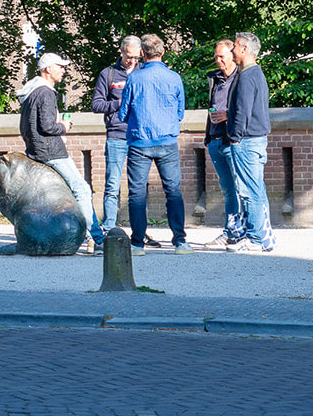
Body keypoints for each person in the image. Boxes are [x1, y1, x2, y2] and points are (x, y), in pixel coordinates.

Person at [16, 52, 104, 252]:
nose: (64, 70)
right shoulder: (45, 92)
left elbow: (25, 127)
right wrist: (63, 126)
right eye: (60, 66)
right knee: (81, 189)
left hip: (36, 149)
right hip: (51, 150)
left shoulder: (30, 92)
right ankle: (96, 238)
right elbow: (47, 126)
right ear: (48, 69)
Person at [118, 34, 192, 256]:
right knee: (173, 191)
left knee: (137, 193)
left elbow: (123, 113)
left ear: (143, 53)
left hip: (139, 141)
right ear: (163, 52)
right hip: (167, 141)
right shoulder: (174, 78)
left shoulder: (134, 79)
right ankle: (180, 241)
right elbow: (180, 112)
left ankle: (138, 243)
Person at [91, 36, 162, 247]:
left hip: (140, 135)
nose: (131, 61)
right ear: (121, 52)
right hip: (117, 135)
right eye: (128, 56)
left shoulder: (144, 73)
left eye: (135, 57)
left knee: (138, 187)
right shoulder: (109, 74)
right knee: (112, 185)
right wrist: (120, 102)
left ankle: (140, 231)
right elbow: (96, 105)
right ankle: (108, 230)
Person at [225, 31, 275, 252]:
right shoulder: (257, 74)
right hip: (257, 139)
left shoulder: (246, 76)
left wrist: (234, 138)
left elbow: (242, 112)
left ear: (244, 49)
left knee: (249, 191)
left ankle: (255, 238)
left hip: (246, 141)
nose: (232, 50)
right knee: (257, 189)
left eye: (235, 46)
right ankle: (264, 237)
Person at [201, 39, 246, 249]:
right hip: (215, 140)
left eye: (222, 56)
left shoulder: (242, 77)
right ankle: (229, 231)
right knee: (227, 190)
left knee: (241, 189)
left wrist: (228, 115)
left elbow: (247, 110)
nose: (218, 61)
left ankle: (242, 231)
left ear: (232, 55)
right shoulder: (215, 79)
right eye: (216, 57)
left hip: (233, 141)